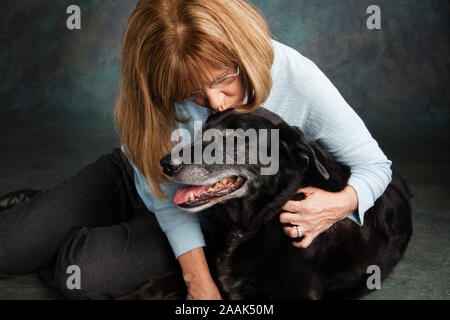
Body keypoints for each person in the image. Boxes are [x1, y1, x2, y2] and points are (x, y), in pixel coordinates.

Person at [0, 0, 392, 300]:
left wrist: (343, 202)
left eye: (224, 79)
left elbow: (374, 165)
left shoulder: (296, 75)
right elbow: (166, 193)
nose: (217, 103)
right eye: (191, 93)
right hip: (148, 178)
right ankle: (40, 217)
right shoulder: (155, 87)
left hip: (206, 206)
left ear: (243, 51)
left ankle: (60, 227)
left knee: (82, 273)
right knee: (9, 249)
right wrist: (197, 279)